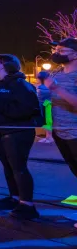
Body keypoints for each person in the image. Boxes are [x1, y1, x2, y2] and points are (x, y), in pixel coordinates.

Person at [0, 54, 42, 219]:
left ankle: (27, 205)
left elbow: (26, 109)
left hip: (16, 132)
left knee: (19, 167)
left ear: (3, 64)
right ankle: (14, 197)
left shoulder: (21, 85)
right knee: (8, 166)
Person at [44, 38, 77, 184]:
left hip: (75, 131)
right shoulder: (56, 73)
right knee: (74, 167)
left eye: (62, 51)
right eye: (56, 50)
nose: (57, 53)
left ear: (75, 55)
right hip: (59, 131)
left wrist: (56, 88)